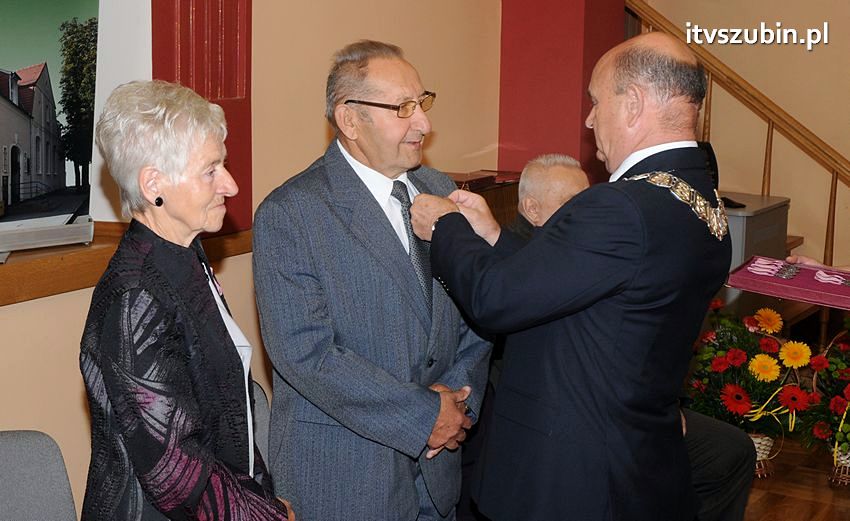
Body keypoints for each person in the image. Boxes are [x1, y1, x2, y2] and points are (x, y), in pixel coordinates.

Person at [410, 31, 733, 521]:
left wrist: (447, 227)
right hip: (635, 459)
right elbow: (591, 283)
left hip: (573, 476)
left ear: (633, 104)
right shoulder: (697, 199)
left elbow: (495, 299)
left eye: (596, 101)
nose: (588, 118)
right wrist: (496, 236)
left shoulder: (620, 207)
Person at [252, 40, 491, 521]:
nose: (423, 123)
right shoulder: (291, 214)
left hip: (440, 472)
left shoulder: (442, 190)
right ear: (350, 120)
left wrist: (457, 404)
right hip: (345, 480)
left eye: (422, 103)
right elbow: (306, 354)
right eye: (403, 108)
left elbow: (477, 310)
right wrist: (426, 415)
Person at [79, 80, 292, 520]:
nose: (231, 185)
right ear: (154, 183)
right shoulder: (136, 293)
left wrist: (263, 499)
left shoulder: (184, 256)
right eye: (210, 170)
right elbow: (175, 472)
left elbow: (225, 410)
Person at [505, 153, 589, 239]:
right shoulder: (520, 250)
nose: (587, 211)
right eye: (572, 203)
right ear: (532, 209)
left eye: (589, 201)